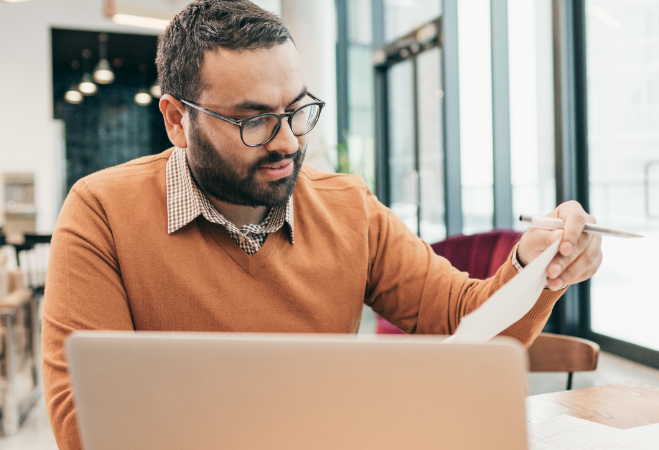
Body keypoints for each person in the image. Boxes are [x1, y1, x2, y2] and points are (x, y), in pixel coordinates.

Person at [41, 1, 603, 448]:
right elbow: (83, 423)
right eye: (254, 119)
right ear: (177, 121)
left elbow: (469, 324)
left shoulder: (347, 207)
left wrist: (536, 268)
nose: (287, 141)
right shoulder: (101, 213)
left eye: (297, 109)